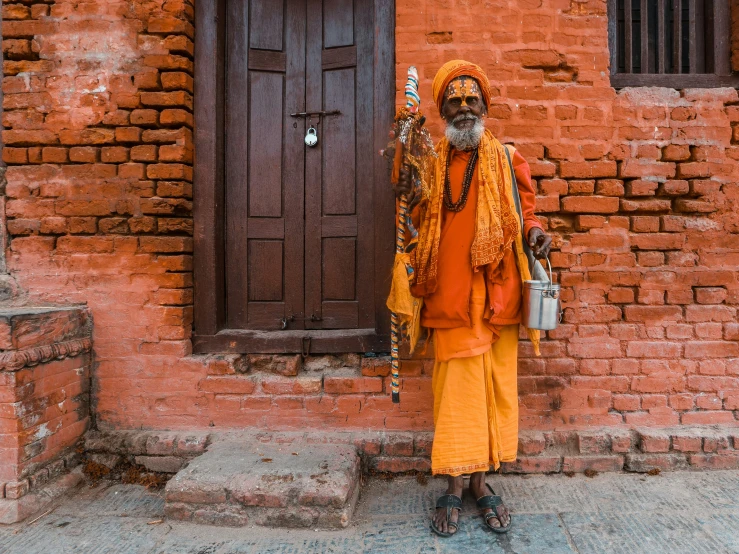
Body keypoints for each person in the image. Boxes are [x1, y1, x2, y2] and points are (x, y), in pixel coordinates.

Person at [393, 60, 552, 537]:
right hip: (451, 296)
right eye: (455, 102)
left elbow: (528, 211)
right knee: (456, 394)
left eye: (472, 100)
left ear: (485, 106)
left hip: (498, 296)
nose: (464, 109)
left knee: (492, 391)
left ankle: (480, 483)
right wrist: (405, 170)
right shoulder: (429, 160)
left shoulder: (506, 158)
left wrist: (538, 232)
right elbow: (412, 217)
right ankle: (449, 481)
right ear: (441, 110)